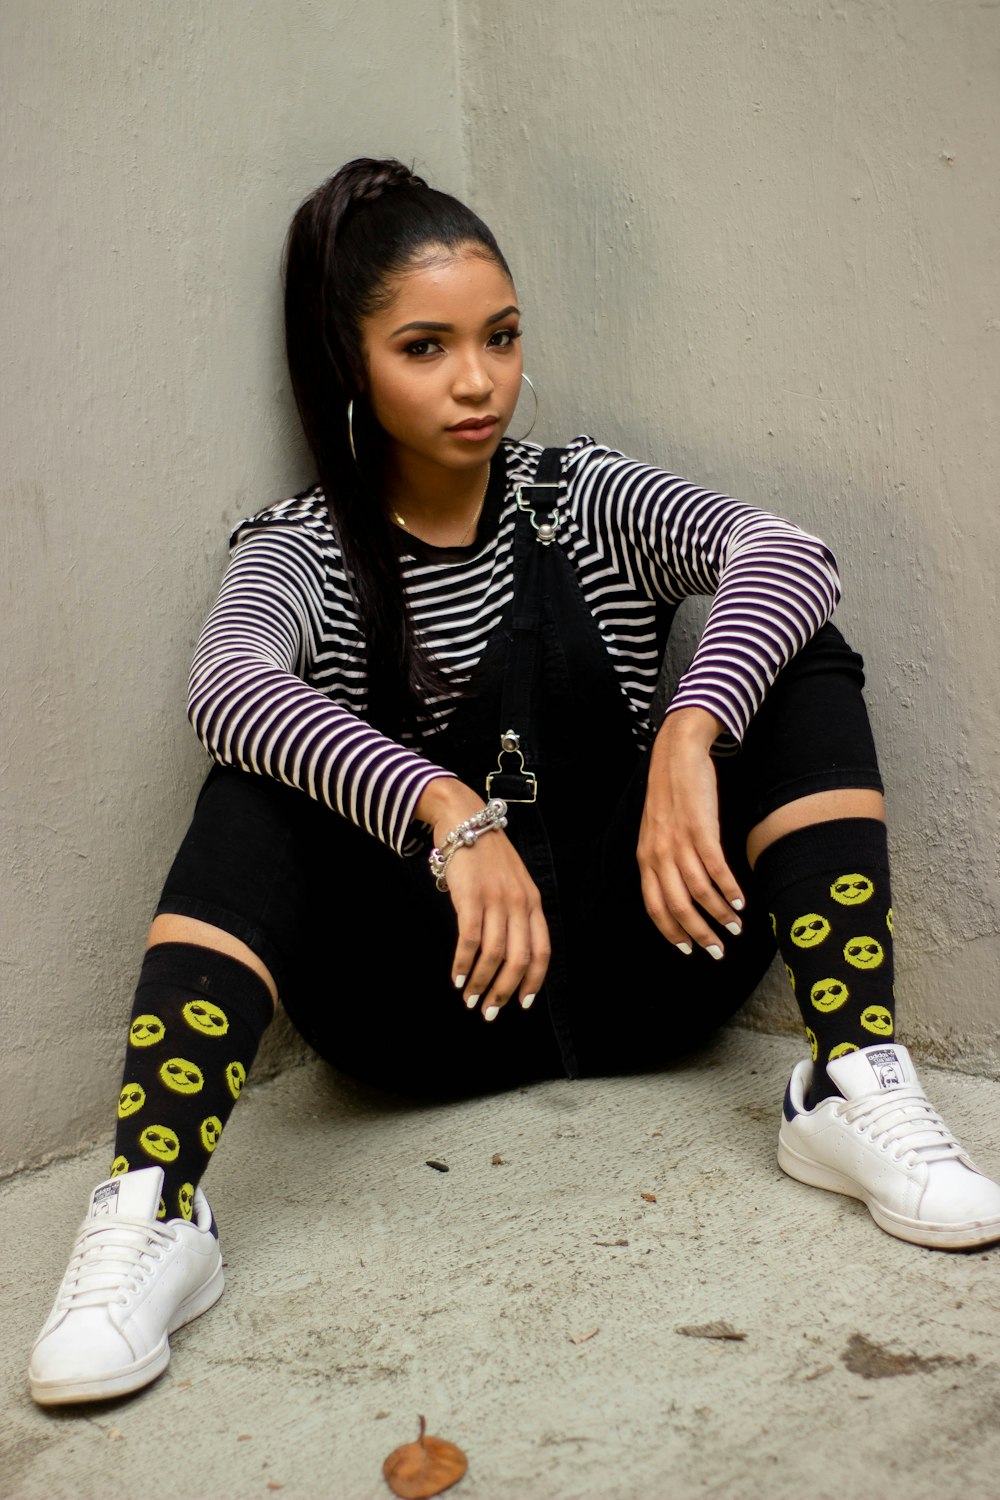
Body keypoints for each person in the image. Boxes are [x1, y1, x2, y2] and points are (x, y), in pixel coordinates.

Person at [28, 157, 1000, 1407]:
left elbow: (785, 550)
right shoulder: (304, 549)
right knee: (253, 780)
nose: (478, 380)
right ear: (349, 364)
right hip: (425, 1011)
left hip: (658, 959)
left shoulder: (579, 493)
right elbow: (227, 687)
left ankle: (849, 1079)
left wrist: (689, 733)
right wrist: (442, 809)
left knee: (796, 647)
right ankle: (154, 1205)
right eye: (425, 347)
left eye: (500, 336)